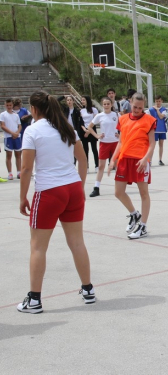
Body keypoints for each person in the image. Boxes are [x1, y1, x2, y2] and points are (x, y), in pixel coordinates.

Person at [18, 91, 95, 313]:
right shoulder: (66, 128)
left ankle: (34, 300)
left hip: (49, 191)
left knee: (38, 247)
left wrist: (22, 196)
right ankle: (88, 289)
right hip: (71, 188)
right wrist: (79, 187)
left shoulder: (32, 130)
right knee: (77, 242)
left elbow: (26, 168)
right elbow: (83, 161)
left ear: (33, 109)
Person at [107, 93, 156, 240]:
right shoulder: (122, 119)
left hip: (140, 161)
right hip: (124, 159)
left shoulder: (149, 120)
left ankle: (143, 226)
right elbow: (121, 142)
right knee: (118, 192)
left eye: (140, 108)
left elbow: (152, 143)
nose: (137, 110)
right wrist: (113, 160)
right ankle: (135, 214)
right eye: (135, 107)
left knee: (143, 194)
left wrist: (145, 159)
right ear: (130, 103)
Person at [84, 97, 119, 197]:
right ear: (102, 105)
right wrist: (96, 135)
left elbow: (125, 126)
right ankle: (96, 188)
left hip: (115, 143)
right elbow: (89, 127)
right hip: (104, 143)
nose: (106, 105)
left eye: (108, 104)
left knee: (117, 166)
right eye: (105, 104)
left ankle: (120, 187)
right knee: (101, 166)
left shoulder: (116, 115)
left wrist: (120, 135)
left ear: (111, 105)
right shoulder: (99, 116)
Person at [1, 98, 22, 180]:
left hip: (17, 137)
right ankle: (10, 173)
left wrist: (17, 133)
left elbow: (19, 125)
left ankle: (19, 172)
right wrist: (12, 133)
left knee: (18, 155)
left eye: (10, 105)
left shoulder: (16, 115)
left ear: (12, 105)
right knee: (9, 155)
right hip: (8, 137)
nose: (9, 107)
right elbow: (3, 126)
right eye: (7, 105)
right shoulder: (3, 114)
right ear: (5, 105)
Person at [80, 96, 99, 173]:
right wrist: (85, 130)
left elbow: (95, 120)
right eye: (81, 100)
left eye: (83, 100)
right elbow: (81, 122)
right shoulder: (81, 110)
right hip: (84, 131)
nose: (82, 101)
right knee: (85, 150)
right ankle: (86, 167)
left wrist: (89, 130)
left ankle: (97, 165)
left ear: (87, 100)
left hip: (92, 130)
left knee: (94, 149)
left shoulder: (94, 110)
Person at [149, 95, 168, 165]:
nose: (158, 103)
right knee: (152, 145)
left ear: (162, 101)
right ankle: (150, 160)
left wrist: (157, 109)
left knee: (161, 145)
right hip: (154, 130)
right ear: (155, 101)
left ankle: (160, 159)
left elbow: (161, 116)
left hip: (162, 129)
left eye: (159, 101)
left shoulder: (164, 109)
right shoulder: (150, 110)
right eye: (157, 101)